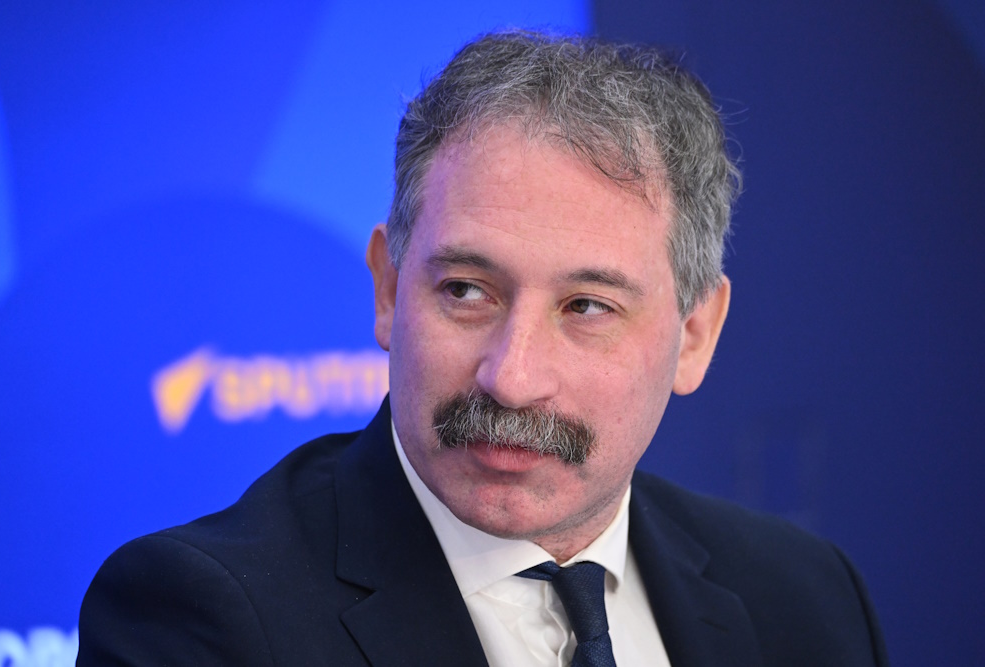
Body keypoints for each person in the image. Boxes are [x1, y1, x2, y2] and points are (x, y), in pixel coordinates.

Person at [77, 29, 889, 666]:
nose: (512, 377)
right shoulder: (200, 619)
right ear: (389, 289)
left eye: (586, 306)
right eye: (467, 291)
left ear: (695, 335)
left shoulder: (807, 600)